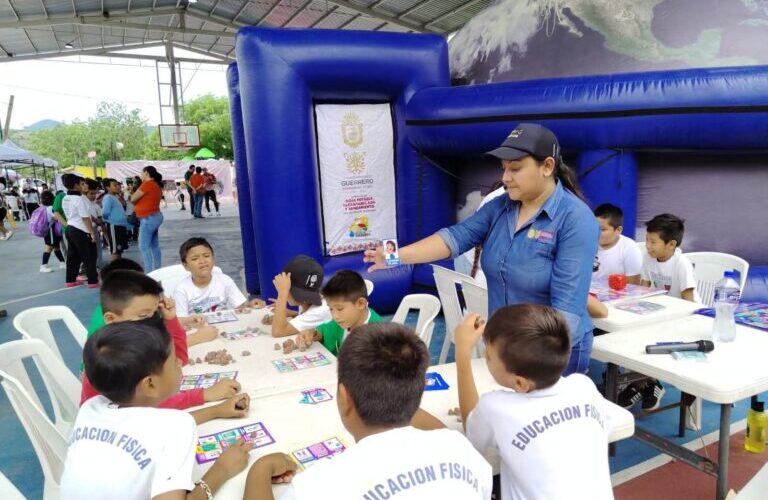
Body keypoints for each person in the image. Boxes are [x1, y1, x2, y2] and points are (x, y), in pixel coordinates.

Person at [364, 123, 598, 374]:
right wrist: (393, 256)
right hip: (506, 343)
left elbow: (566, 315)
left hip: (550, 351)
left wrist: (526, 365)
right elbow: (455, 238)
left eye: (516, 168)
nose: (506, 178)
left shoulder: (575, 219)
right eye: (504, 168)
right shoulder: (502, 206)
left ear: (547, 166)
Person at [243, 323, 493, 500]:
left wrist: (260, 470)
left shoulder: (317, 485)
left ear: (344, 397)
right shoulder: (460, 447)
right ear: (420, 391)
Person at [60, 320, 253, 500]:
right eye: (174, 361)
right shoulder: (177, 426)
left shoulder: (91, 407)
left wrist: (215, 411)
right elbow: (170, 428)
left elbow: (152, 430)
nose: (179, 363)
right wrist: (222, 469)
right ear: (150, 384)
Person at [455, 305, 614, 500]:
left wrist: (462, 351)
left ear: (520, 383)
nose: (486, 358)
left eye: (488, 357)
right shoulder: (584, 386)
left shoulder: (495, 407)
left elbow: (470, 428)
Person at [81, 270, 246, 425]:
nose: (152, 321)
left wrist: (171, 319)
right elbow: (152, 412)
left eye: (155, 313)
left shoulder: (138, 336)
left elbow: (179, 359)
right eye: (144, 315)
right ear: (111, 318)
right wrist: (206, 398)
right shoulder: (112, 357)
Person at [618, 213, 699, 410]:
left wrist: (679, 325)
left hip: (686, 319)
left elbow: (689, 303)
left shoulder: (681, 264)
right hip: (662, 315)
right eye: (647, 240)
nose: (648, 245)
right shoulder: (648, 258)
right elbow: (642, 290)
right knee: (630, 334)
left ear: (671, 244)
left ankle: (650, 383)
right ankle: (642, 383)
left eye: (653, 242)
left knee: (647, 339)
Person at [86, 259, 219, 347]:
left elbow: (153, 322)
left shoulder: (122, 308)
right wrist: (196, 338)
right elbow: (152, 351)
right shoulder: (112, 333)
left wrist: (182, 320)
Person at [297, 270, 382, 356]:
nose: (335, 316)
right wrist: (312, 333)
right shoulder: (343, 322)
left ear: (360, 304)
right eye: (331, 309)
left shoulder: (379, 336)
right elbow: (323, 331)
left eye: (340, 309)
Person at [173, 237, 263, 317]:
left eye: (206, 256)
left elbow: (240, 306)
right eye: (195, 259)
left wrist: (251, 305)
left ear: (213, 258)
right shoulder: (181, 290)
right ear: (186, 266)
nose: (202, 261)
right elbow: (181, 320)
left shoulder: (224, 280)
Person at [257, 255, 332, 338]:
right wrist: (291, 313)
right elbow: (309, 317)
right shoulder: (308, 301)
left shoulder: (318, 311)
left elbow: (278, 332)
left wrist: (282, 295)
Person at [62, 175, 98, 288]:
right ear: (75, 186)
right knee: (90, 256)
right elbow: (85, 218)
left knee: (73, 256)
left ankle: (70, 280)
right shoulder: (78, 199)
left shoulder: (66, 197)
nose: (85, 185)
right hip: (81, 229)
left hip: (70, 228)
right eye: (82, 184)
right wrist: (91, 233)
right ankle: (93, 281)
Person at [593, 203, 642, 284]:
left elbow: (633, 287)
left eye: (602, 229)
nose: (596, 232)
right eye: (594, 228)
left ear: (618, 230)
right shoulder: (587, 243)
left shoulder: (629, 248)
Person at [130, 166, 164, 272]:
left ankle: (149, 272)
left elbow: (133, 198)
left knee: (144, 246)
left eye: (142, 172)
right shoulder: (155, 184)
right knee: (154, 244)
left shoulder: (147, 184)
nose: (141, 174)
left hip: (148, 218)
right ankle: (158, 269)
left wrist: (131, 191)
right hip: (154, 216)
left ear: (147, 173)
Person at [101, 179, 130, 261]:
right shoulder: (108, 197)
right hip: (114, 226)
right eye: (114, 185)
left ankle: (118, 268)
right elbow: (105, 212)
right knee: (115, 251)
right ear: (107, 187)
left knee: (119, 249)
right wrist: (110, 220)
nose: (118, 187)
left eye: (118, 185)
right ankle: (114, 270)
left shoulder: (115, 197)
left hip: (120, 226)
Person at [39, 190, 66, 273]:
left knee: (56, 246)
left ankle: (62, 262)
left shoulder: (44, 207)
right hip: (51, 230)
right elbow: (56, 217)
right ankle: (43, 265)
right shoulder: (50, 208)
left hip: (51, 229)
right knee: (49, 247)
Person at [84, 178, 105, 271]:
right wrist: (96, 220)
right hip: (88, 229)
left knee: (97, 250)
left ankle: (98, 266)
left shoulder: (92, 203)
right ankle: (94, 268)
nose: (95, 195)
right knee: (93, 251)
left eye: (95, 193)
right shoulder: (83, 201)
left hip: (94, 228)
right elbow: (87, 216)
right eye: (92, 193)